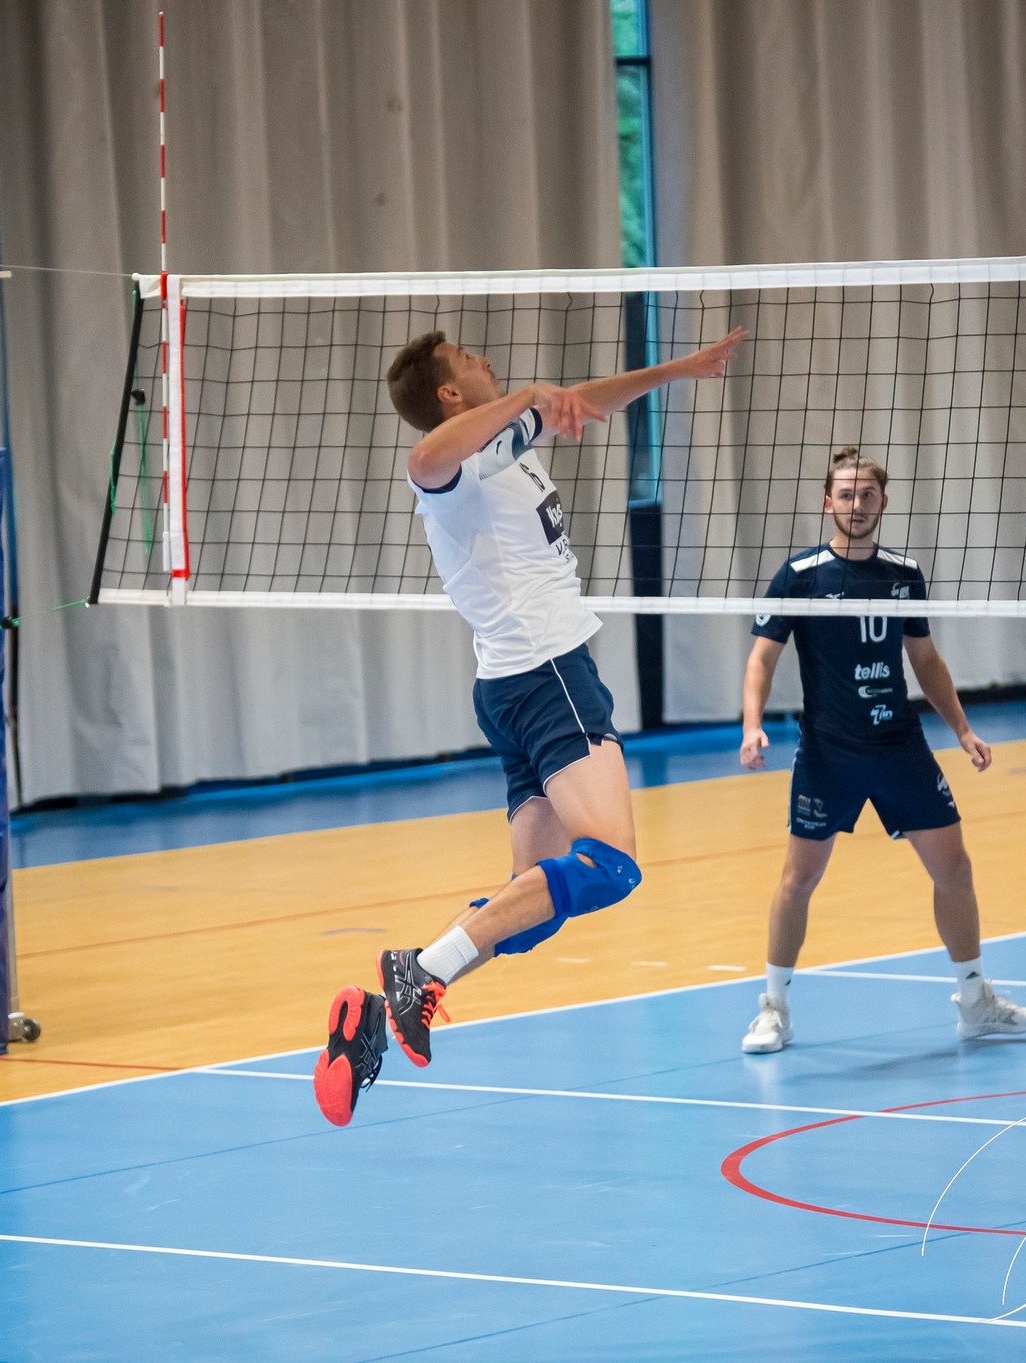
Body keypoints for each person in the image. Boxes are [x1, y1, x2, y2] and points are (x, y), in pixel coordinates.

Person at [311, 325, 747, 1126]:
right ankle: (416, 967)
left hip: (514, 687)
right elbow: (422, 460)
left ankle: (374, 1013)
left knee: (533, 903)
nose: (487, 360)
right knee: (611, 866)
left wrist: (679, 369)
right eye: (472, 361)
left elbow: (583, 399)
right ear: (449, 393)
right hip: (547, 675)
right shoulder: (452, 464)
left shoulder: (505, 434)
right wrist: (529, 397)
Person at [735, 447, 1026, 1052]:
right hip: (829, 748)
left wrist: (961, 729)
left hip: (899, 743)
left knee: (954, 868)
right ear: (828, 502)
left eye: (867, 495)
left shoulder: (904, 574)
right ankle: (773, 1007)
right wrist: (752, 725)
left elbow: (925, 659)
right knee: (799, 879)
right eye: (845, 495)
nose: (856, 505)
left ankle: (975, 1000)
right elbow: (762, 657)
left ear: (884, 502)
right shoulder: (799, 576)